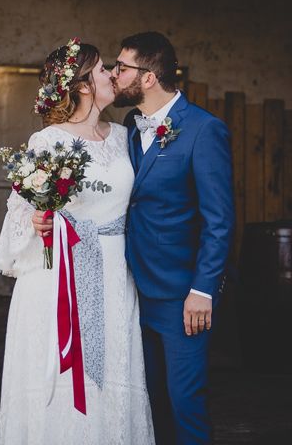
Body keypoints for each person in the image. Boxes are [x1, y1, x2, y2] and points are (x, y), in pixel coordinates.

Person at [0, 39, 154, 444]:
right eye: (103, 70)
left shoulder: (124, 136)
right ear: (82, 85)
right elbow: (19, 209)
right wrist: (36, 219)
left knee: (114, 372)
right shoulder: (47, 141)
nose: (113, 75)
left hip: (116, 273)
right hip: (59, 277)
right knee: (64, 376)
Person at [111, 31, 234, 444]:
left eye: (122, 67)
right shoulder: (129, 126)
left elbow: (219, 220)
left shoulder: (203, 129)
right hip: (131, 289)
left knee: (186, 401)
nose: (114, 74)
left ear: (147, 77)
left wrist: (203, 289)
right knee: (149, 402)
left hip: (182, 296)